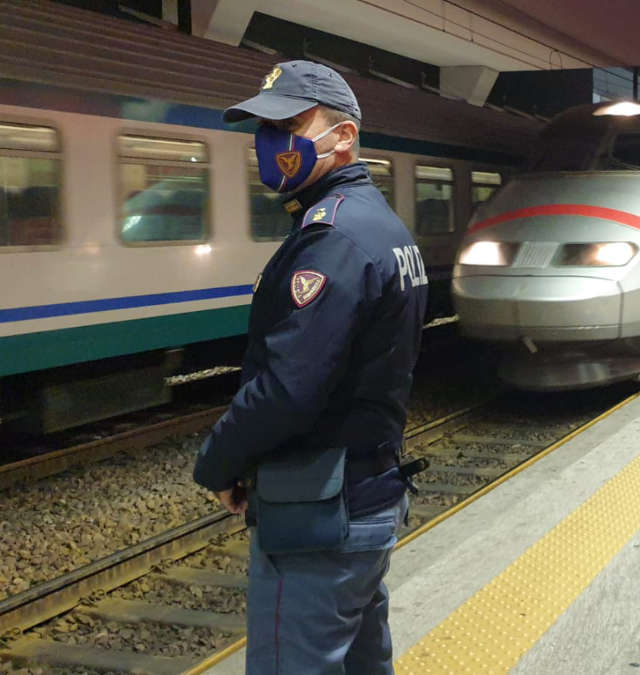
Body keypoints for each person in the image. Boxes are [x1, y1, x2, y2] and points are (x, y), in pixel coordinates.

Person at [193, 60, 428, 674]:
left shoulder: (333, 240)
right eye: (264, 129)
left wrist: (218, 461)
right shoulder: (382, 227)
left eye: (290, 125)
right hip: (365, 498)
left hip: (323, 517)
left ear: (343, 136)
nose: (271, 144)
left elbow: (286, 390)